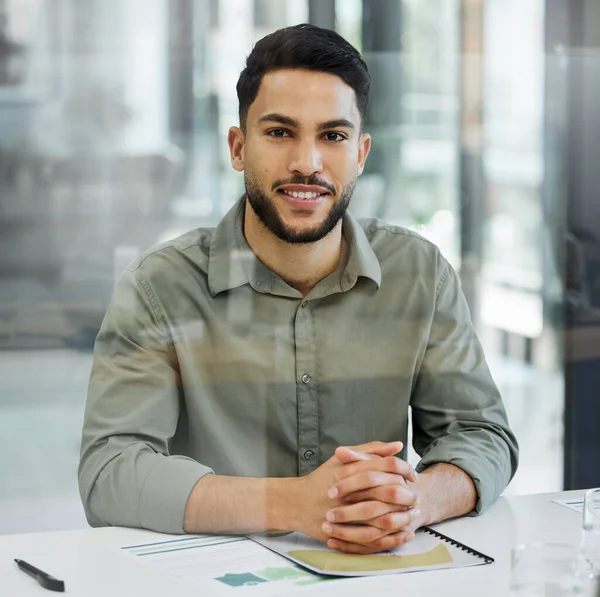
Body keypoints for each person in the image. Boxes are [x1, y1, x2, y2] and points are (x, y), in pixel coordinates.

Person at [78, 24, 518, 555]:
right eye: (280, 132)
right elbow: (110, 471)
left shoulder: (420, 273)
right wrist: (291, 504)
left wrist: (413, 502)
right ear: (238, 146)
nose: (307, 163)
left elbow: (481, 434)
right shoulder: (159, 288)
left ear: (361, 152)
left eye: (332, 135)